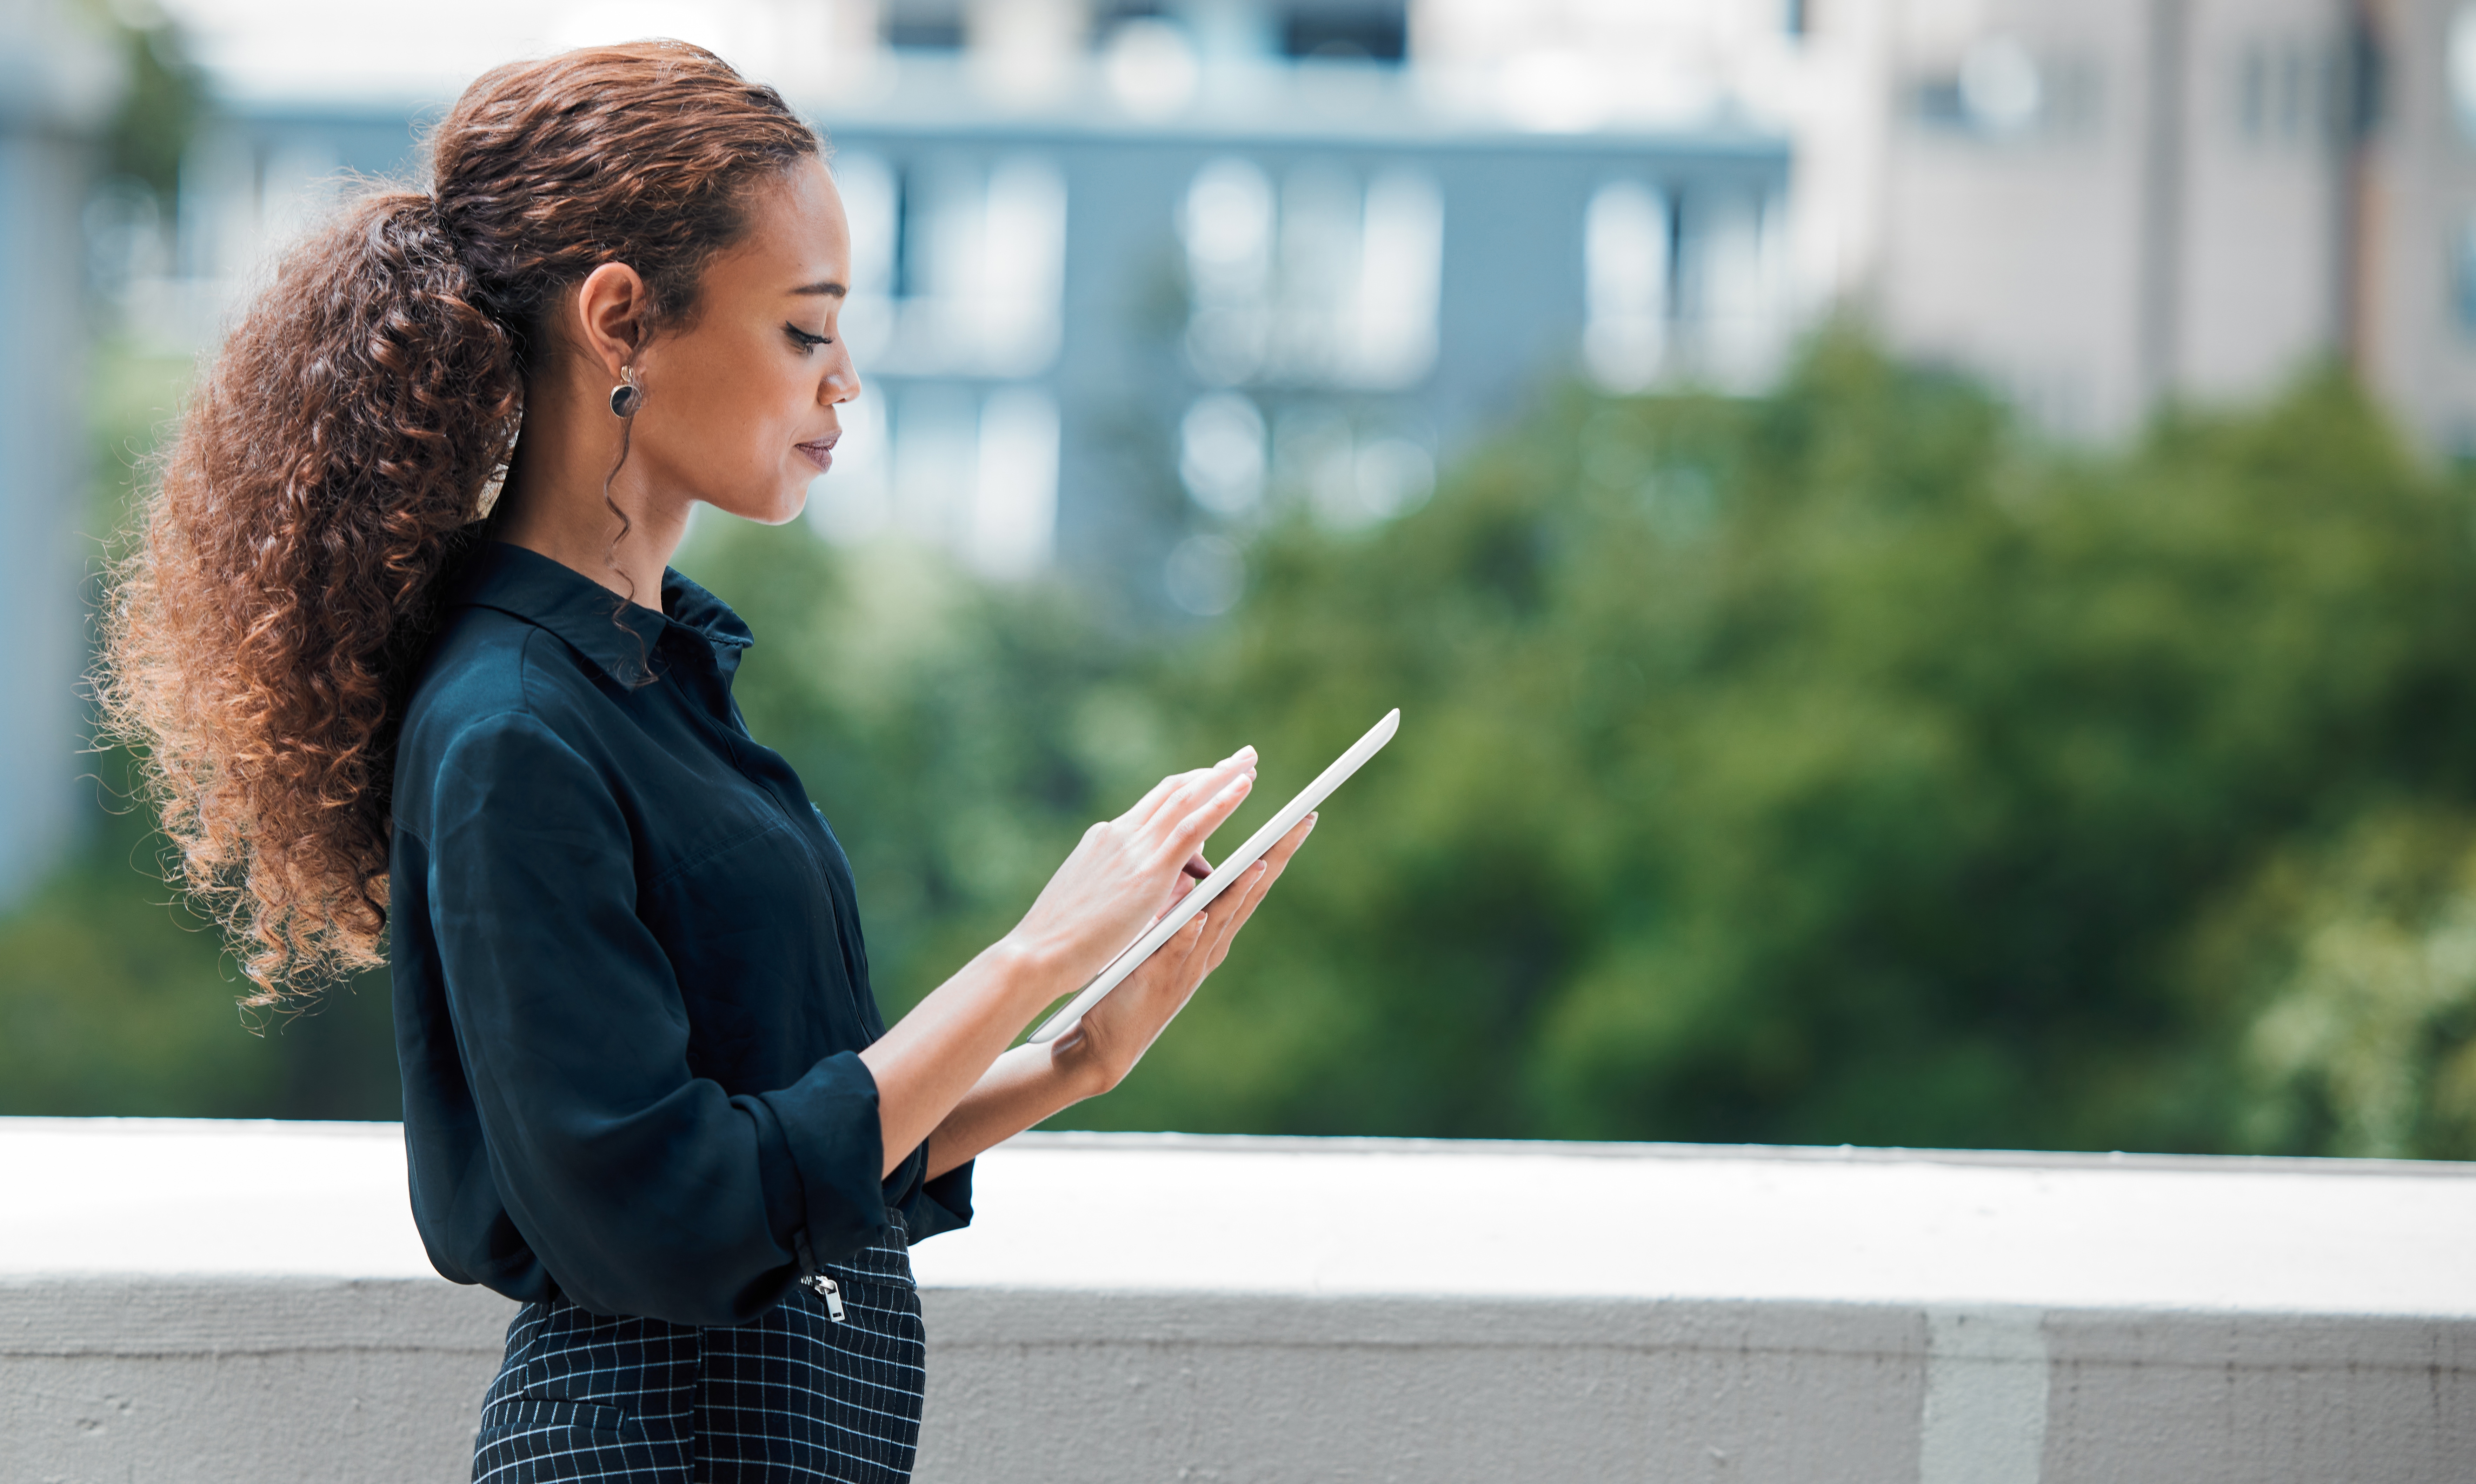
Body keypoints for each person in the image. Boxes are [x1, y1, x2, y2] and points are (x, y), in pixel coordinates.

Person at [99, 41, 1312, 1484]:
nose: (846, 382)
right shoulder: (510, 730)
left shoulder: (650, 680)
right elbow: (672, 1209)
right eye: (806, 332)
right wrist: (1029, 959)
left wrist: (1072, 1057)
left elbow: (777, 1139)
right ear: (621, 319)